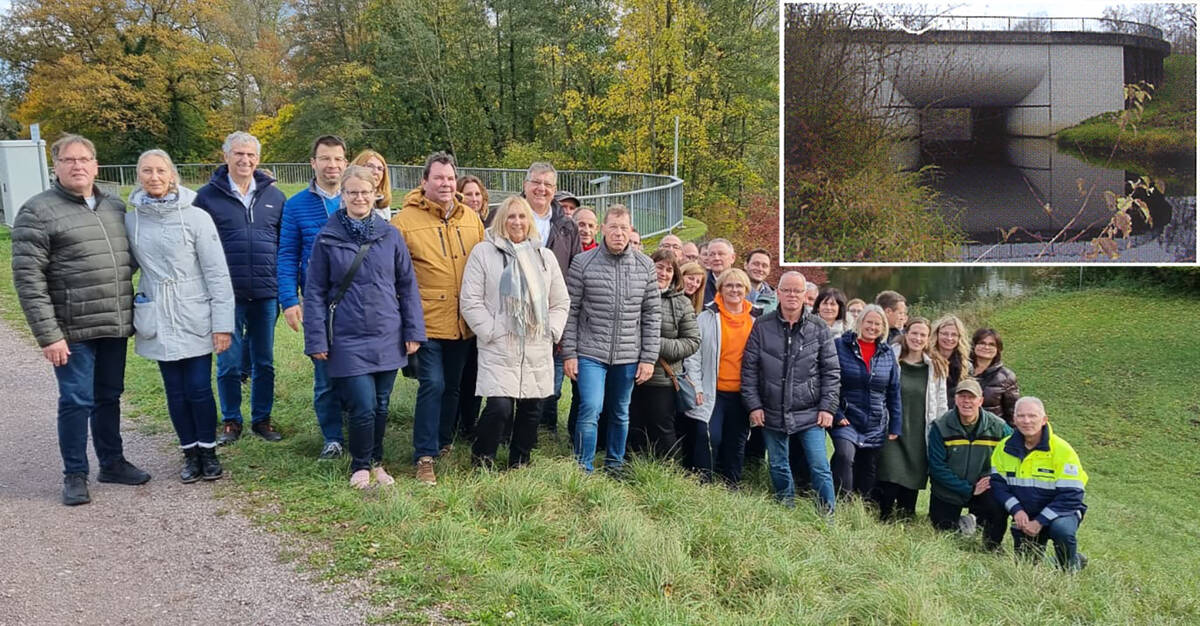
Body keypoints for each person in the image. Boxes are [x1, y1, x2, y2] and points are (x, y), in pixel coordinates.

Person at [12, 134, 151, 505]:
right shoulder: (36, 212)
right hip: (71, 328)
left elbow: (131, 257)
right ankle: (75, 474)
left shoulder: (114, 206)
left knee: (109, 396)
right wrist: (49, 335)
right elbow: (28, 280)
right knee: (76, 399)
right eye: (69, 160)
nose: (78, 166)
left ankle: (112, 462)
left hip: (113, 320)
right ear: (55, 167)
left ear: (96, 165)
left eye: (84, 159)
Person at [304, 166, 425, 489]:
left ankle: (377, 462)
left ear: (376, 194)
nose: (359, 197)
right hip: (347, 335)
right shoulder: (327, 237)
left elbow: (407, 284)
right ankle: (360, 464)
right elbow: (314, 291)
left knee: (382, 404)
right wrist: (316, 338)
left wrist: (414, 331)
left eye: (365, 192)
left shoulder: (390, 234)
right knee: (363, 405)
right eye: (352, 192)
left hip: (388, 332)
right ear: (343, 196)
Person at [125, 149, 234, 482]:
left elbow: (217, 272)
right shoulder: (131, 220)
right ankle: (189, 453)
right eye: (147, 171)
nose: (154, 177)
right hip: (158, 311)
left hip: (193, 311)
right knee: (174, 390)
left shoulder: (196, 217)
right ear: (138, 176)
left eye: (160, 170)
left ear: (172, 174)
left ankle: (208, 451)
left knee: (199, 387)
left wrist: (222, 324)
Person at [391, 151, 485, 485]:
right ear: (424, 181)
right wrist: (405, 323)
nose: (445, 184)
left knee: (454, 387)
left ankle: (444, 440)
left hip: (462, 322)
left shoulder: (470, 218)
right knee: (433, 384)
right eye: (438, 178)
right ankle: (424, 455)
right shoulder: (404, 222)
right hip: (426, 320)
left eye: (449, 178)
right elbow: (396, 276)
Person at [460, 196, 570, 468]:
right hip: (500, 343)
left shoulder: (544, 257)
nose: (517, 222)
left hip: (536, 343)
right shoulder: (484, 253)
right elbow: (470, 300)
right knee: (499, 407)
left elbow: (560, 300)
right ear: (501, 220)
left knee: (532, 408)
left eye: (522, 217)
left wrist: (551, 330)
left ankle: (520, 461)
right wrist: (491, 329)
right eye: (511, 217)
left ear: (529, 221)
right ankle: (482, 457)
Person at [194, 131, 286, 447]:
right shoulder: (207, 197)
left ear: (258, 159)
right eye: (238, 154)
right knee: (229, 361)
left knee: (264, 361)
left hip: (265, 292)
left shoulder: (275, 196)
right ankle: (231, 420)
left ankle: (262, 418)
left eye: (250, 155)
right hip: (225, 294)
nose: (244, 160)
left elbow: (283, 245)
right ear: (226, 157)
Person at [562, 205, 660, 473]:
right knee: (590, 407)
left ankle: (614, 464)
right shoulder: (583, 263)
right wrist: (569, 353)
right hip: (590, 351)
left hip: (628, 354)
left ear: (631, 231)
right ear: (603, 229)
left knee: (619, 410)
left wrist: (648, 358)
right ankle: (583, 467)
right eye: (614, 227)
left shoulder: (645, 266)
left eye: (624, 228)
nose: (619, 233)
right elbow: (571, 311)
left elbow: (652, 314)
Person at [741, 272, 839, 512]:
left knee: (819, 465)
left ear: (806, 296)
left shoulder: (818, 328)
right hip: (772, 409)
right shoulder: (762, 325)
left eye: (797, 291)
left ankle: (827, 513)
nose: (792, 295)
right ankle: (787, 507)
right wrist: (754, 405)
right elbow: (749, 369)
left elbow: (832, 372)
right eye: (787, 290)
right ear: (778, 293)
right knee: (777, 464)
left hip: (810, 411)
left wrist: (828, 408)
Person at [278, 135, 348, 456]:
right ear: (313, 163)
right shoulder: (295, 206)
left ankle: (358, 428)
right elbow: (287, 255)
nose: (331, 165)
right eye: (325, 159)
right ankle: (332, 437)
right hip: (318, 303)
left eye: (337, 159)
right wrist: (289, 300)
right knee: (325, 372)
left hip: (357, 303)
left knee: (357, 369)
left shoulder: (355, 199)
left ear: (345, 163)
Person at [990, 397, 1089, 570]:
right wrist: (1017, 510)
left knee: (1062, 530)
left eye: (1032, 416)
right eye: (1021, 416)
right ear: (1014, 419)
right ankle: (1069, 560)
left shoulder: (1063, 450)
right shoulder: (1003, 448)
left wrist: (1040, 521)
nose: (1026, 421)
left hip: (1060, 513)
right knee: (1026, 568)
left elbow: (1072, 495)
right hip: (1025, 516)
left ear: (1044, 419)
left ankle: (1069, 567)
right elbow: (998, 486)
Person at [684, 268, 762, 485]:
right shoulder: (706, 317)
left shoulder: (758, 319)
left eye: (739, 286)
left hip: (743, 393)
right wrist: (696, 387)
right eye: (729, 285)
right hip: (713, 390)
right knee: (710, 436)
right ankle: (704, 482)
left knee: (736, 441)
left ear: (746, 290)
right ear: (720, 288)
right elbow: (693, 356)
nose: (734, 290)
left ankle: (731, 484)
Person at [523, 163, 582, 437]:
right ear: (526, 185)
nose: (541, 189)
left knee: (545, 377)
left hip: (550, 312)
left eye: (547, 184)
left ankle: (536, 430)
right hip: (514, 309)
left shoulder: (567, 226)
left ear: (554, 191)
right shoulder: (509, 215)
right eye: (536, 182)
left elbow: (574, 270)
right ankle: (504, 428)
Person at [628, 250, 700, 459]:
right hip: (629, 372)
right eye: (659, 266)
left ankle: (668, 474)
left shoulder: (681, 303)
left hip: (662, 378)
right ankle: (630, 471)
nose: (664, 273)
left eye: (669, 269)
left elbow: (692, 342)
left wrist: (653, 342)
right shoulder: (633, 294)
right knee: (632, 427)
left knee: (663, 430)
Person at [875, 317, 948, 520]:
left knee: (908, 498)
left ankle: (906, 519)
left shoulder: (936, 367)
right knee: (889, 476)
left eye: (922, 335)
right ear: (906, 334)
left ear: (928, 339)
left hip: (919, 432)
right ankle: (883, 517)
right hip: (892, 429)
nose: (917, 338)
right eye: (914, 333)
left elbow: (941, 404)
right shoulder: (890, 358)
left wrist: (939, 435)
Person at [927, 379, 1012, 550]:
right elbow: (937, 468)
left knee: (997, 510)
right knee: (945, 536)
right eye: (962, 396)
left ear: (980, 401)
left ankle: (991, 545)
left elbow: (1012, 456)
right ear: (956, 400)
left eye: (971, 397)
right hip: (949, 491)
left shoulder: (999, 427)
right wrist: (969, 489)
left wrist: (991, 479)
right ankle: (966, 523)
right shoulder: (940, 426)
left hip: (984, 488)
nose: (967, 401)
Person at [830, 304, 900, 499]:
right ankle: (839, 501)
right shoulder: (839, 346)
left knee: (868, 466)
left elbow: (894, 391)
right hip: (846, 417)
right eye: (869, 322)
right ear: (860, 322)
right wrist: (836, 413)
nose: (873, 327)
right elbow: (828, 382)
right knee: (844, 455)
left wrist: (895, 424)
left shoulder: (888, 354)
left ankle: (861, 507)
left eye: (878, 324)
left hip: (875, 421)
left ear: (884, 327)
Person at [455, 174, 492, 440]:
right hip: (457, 308)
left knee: (476, 372)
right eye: (468, 194)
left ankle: (470, 423)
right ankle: (454, 422)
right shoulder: (454, 226)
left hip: (484, 310)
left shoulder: (488, 228)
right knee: (456, 372)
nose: (474, 199)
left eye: (478, 195)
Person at [971, 328, 1020, 425]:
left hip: (992, 433)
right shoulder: (961, 370)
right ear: (974, 345)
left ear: (998, 349)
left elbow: (1013, 413)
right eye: (982, 343)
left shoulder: (1006, 377)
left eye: (991, 344)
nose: (986, 347)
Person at [932, 315, 972, 400]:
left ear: (959, 338)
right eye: (945, 334)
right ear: (937, 334)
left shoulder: (966, 366)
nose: (949, 338)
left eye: (954, 335)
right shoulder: (927, 361)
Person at [350, 149, 393, 220]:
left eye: (380, 168)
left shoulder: (382, 204)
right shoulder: (345, 199)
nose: (375, 172)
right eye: (370, 166)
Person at [703, 238, 736, 303]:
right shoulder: (700, 283)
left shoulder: (742, 284)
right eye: (712, 254)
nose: (716, 258)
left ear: (732, 258)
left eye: (721, 254)